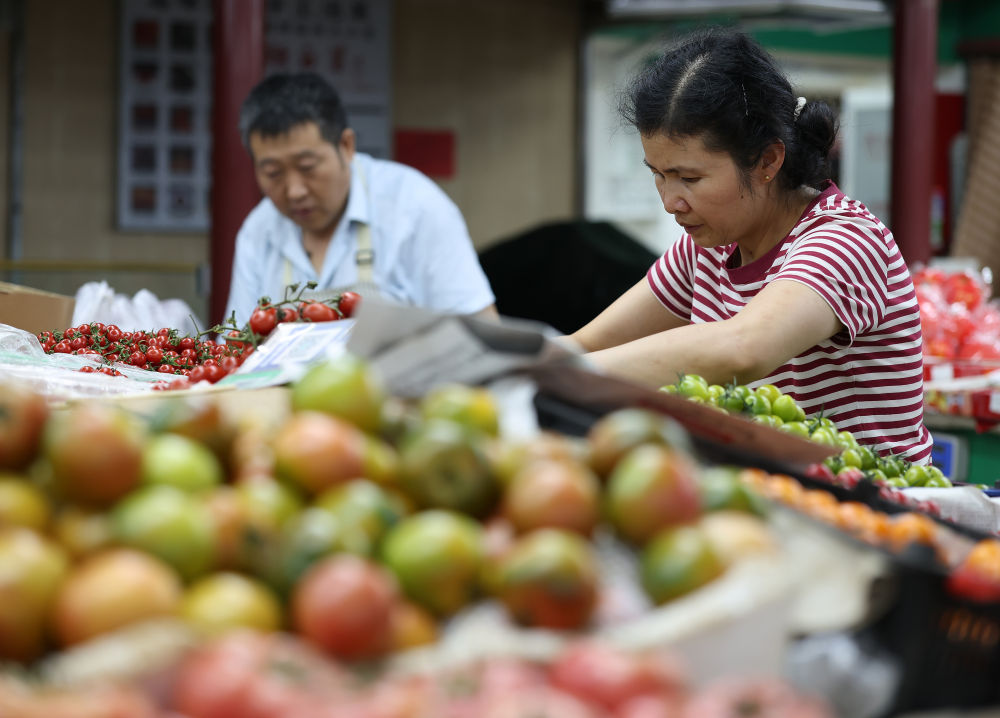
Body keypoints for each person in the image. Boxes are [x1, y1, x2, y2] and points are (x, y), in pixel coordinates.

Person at [570, 29, 932, 463]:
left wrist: (568, 375)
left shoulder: (846, 239)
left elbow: (743, 347)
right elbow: (588, 345)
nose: (669, 202)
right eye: (658, 174)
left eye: (689, 178)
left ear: (767, 161)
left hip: (873, 509)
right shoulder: (708, 249)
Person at [224, 72, 496, 327]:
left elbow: (480, 332)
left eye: (307, 166)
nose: (294, 190)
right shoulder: (258, 232)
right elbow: (236, 349)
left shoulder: (415, 208)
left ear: (346, 146)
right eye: (273, 173)